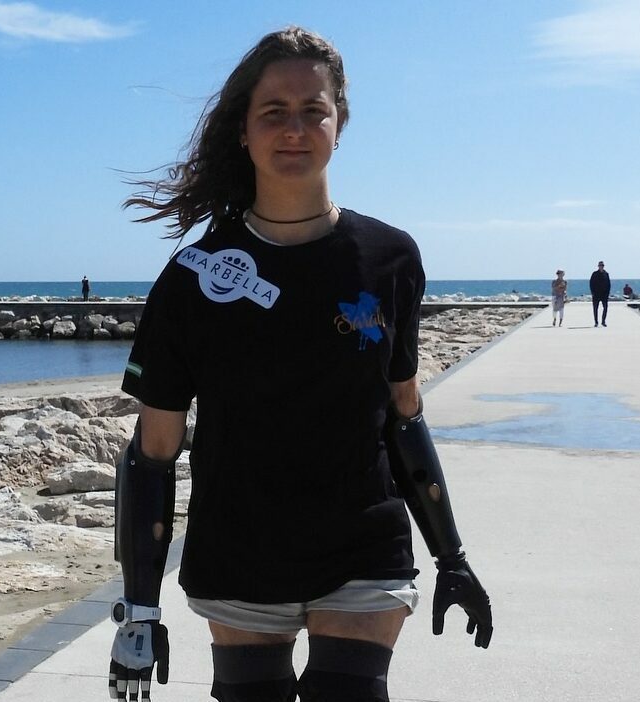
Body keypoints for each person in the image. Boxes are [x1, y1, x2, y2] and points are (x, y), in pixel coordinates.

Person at [108, 26, 492, 702]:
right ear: (243, 130)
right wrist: (139, 610)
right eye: (273, 112)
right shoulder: (194, 276)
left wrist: (450, 556)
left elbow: (403, 416)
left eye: (313, 110)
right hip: (239, 550)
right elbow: (153, 452)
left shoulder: (390, 258)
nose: (294, 129)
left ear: (339, 124)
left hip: (363, 546)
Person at [589, 261, 611, 326]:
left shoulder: (606, 274)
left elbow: (608, 284)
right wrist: (592, 292)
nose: (601, 266)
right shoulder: (594, 274)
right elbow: (591, 283)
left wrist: (607, 293)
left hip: (604, 294)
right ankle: (596, 322)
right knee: (595, 308)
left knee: (605, 308)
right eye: (600, 265)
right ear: (598, 266)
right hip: (596, 294)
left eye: (602, 265)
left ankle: (603, 321)